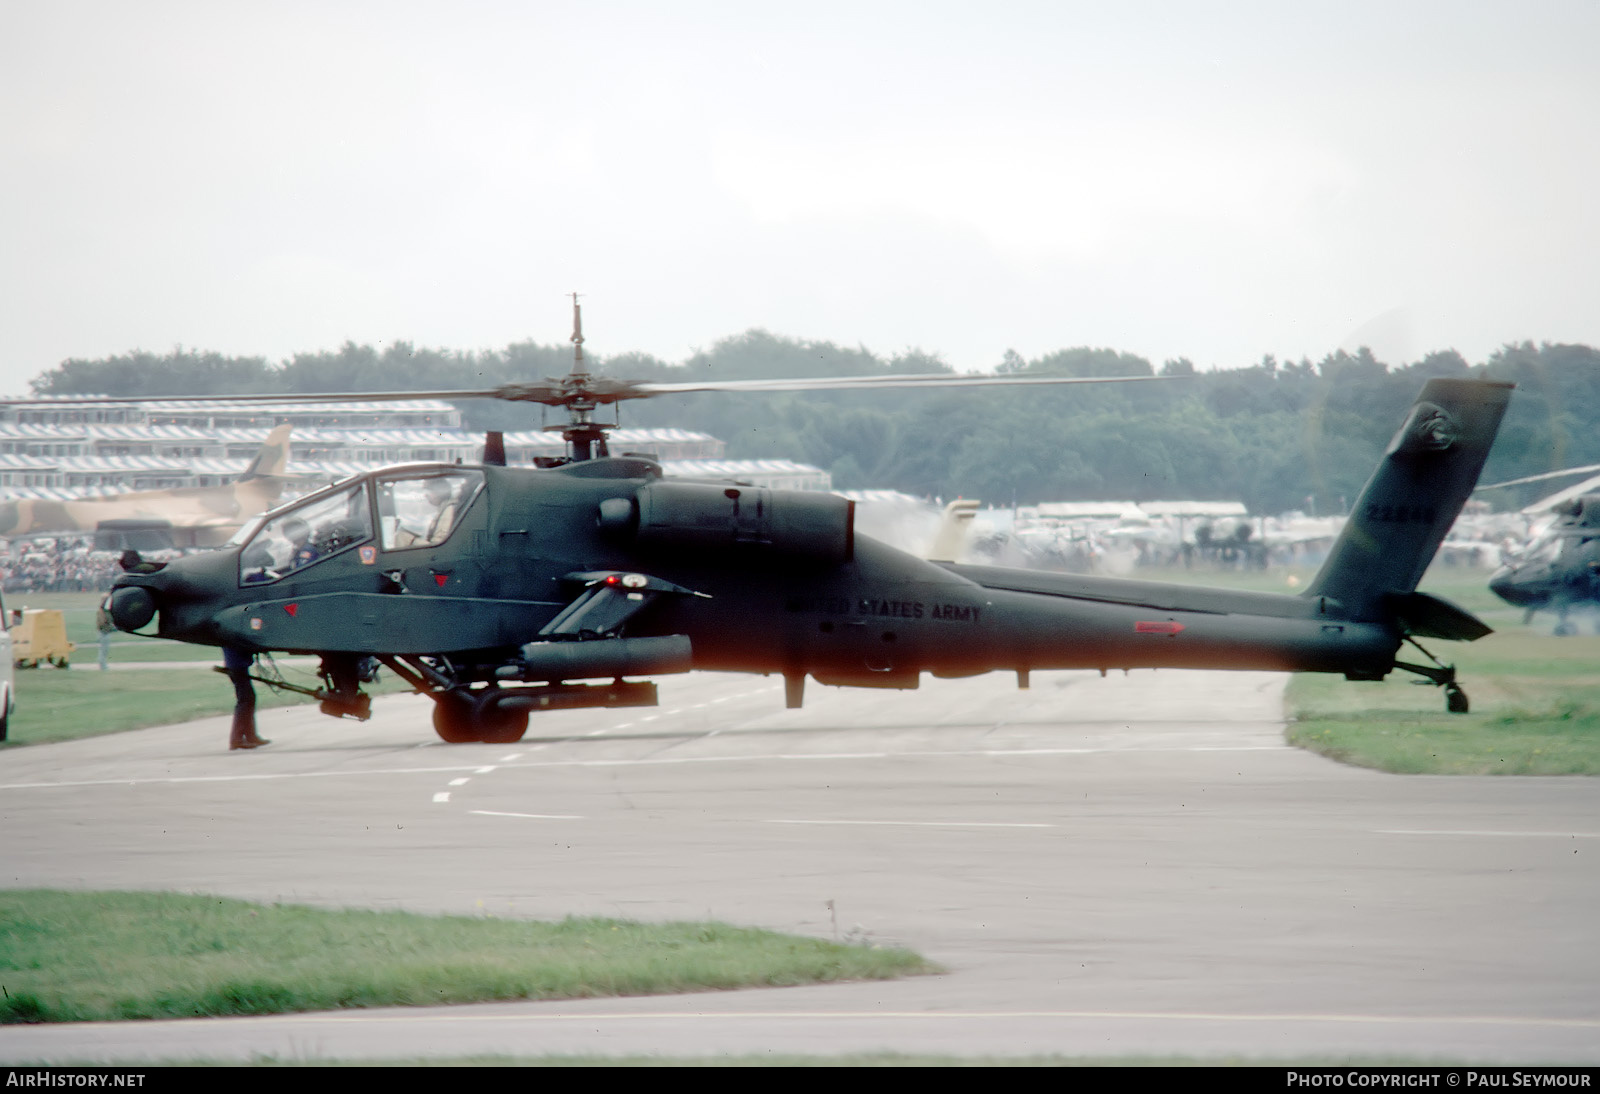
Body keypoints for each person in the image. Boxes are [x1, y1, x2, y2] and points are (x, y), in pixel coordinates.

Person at [223, 646, 270, 751]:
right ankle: (236, 740)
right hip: (237, 666)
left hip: (237, 666)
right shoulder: (233, 635)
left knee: (249, 698)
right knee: (245, 700)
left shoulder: (231, 633)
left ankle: (251, 737)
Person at [95, 595, 115, 671]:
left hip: (105, 632)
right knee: (103, 650)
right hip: (103, 632)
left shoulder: (104, 610)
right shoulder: (101, 611)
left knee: (104, 650)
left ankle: (103, 665)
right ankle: (102, 666)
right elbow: (102, 623)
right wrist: (111, 628)